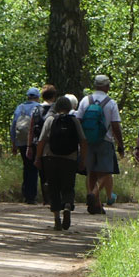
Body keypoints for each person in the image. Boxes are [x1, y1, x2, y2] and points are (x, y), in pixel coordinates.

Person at [34, 94, 88, 230]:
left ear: (56, 107)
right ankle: (68, 206)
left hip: (50, 158)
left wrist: (38, 158)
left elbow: (41, 141)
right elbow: (83, 141)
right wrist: (82, 159)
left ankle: (57, 218)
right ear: (70, 107)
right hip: (70, 158)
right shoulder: (74, 121)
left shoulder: (50, 120)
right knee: (68, 186)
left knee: (53, 187)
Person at [76, 74, 123, 214]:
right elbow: (115, 125)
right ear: (107, 86)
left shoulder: (85, 100)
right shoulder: (111, 103)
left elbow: (78, 120)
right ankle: (94, 193)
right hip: (105, 141)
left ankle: (95, 203)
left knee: (91, 172)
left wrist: (81, 140)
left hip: (88, 141)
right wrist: (121, 144)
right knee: (106, 172)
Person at [11, 86, 42, 204]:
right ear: (38, 98)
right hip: (34, 142)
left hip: (21, 142)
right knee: (33, 167)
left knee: (26, 166)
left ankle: (25, 193)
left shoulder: (20, 107)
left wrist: (14, 143)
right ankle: (31, 196)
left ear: (28, 97)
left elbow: (13, 126)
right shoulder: (38, 108)